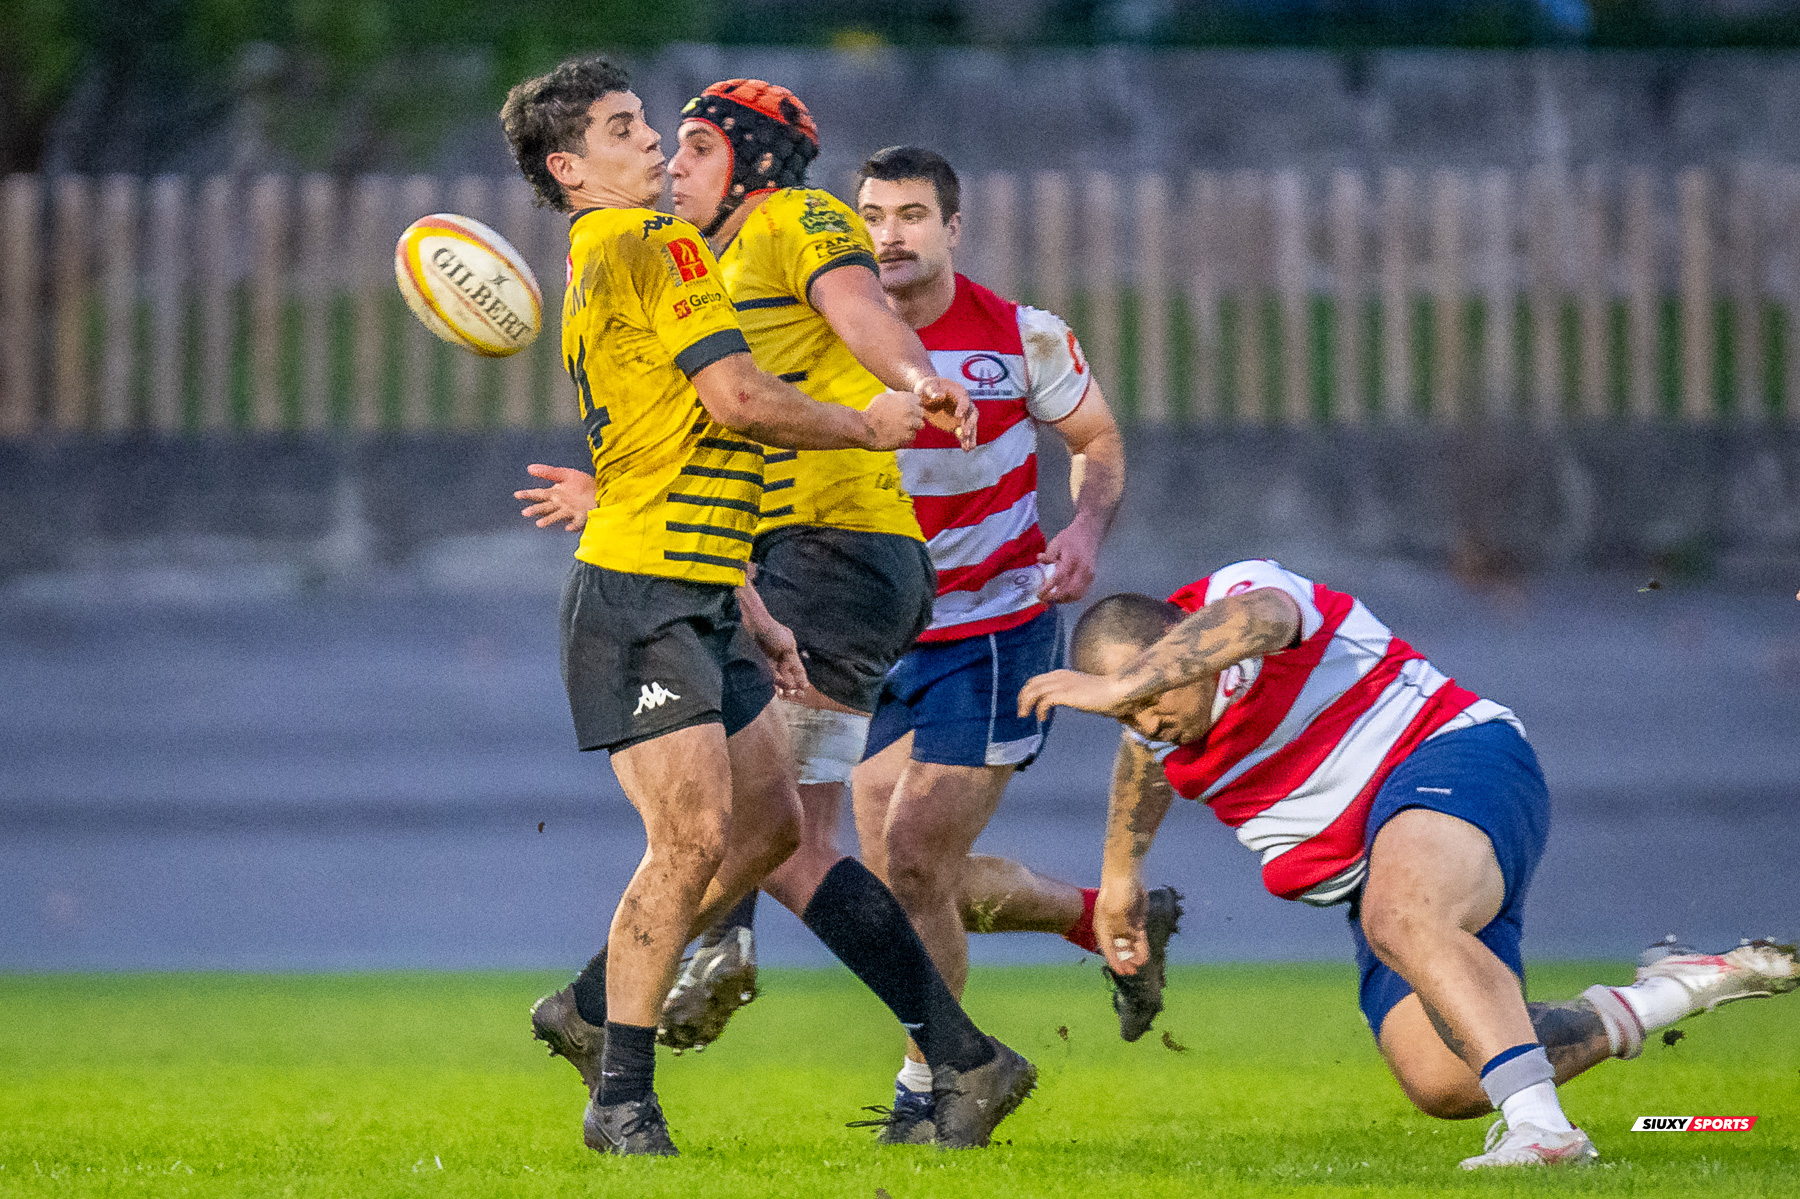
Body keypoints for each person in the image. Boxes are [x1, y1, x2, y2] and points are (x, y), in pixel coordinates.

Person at [500, 56, 1032, 1157]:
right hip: (661, 590)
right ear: (571, 167)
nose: (656, 144)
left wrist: (750, 601)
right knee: (714, 832)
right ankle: (623, 1089)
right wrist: (878, 420)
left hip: (757, 574)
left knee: (775, 831)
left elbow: (699, 427)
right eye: (629, 130)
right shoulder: (656, 245)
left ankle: (607, 1006)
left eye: (672, 132)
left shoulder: (716, 235)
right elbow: (733, 404)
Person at [1017, 559, 1800, 1169]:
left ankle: (1541, 1132)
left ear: (1184, 631)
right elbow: (1141, 757)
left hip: (1455, 760)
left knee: (1404, 913)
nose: (1146, 714)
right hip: (1377, 867)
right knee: (1447, 1080)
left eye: (1149, 690)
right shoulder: (1158, 724)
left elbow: (1264, 618)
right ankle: (1678, 988)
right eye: (1126, 709)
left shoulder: (1240, 591)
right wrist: (1121, 876)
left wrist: (1122, 682)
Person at [841, 145, 1178, 1143]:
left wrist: (1083, 532)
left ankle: (936, 1079)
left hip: (991, 633)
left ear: (953, 228)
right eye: (870, 214)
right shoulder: (831, 335)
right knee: (908, 880)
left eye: (909, 214)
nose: (887, 235)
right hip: (878, 640)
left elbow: (1100, 445)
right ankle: (1106, 921)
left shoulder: (1020, 337)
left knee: (911, 861)